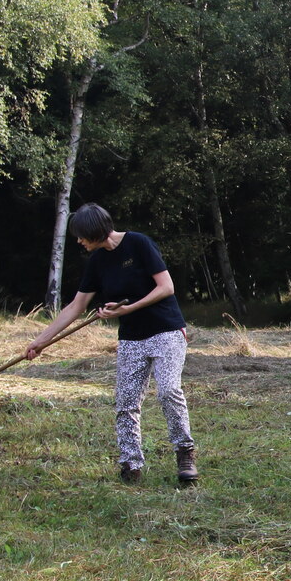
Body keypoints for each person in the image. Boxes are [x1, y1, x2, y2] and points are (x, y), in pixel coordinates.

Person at [25, 203, 198, 487]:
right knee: (126, 403)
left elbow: (166, 287)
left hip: (166, 330)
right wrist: (41, 341)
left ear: (95, 230)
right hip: (131, 339)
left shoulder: (138, 243)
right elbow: (77, 306)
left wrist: (129, 309)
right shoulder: (97, 261)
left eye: (81, 235)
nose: (79, 241)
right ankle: (131, 465)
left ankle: (185, 453)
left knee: (168, 390)